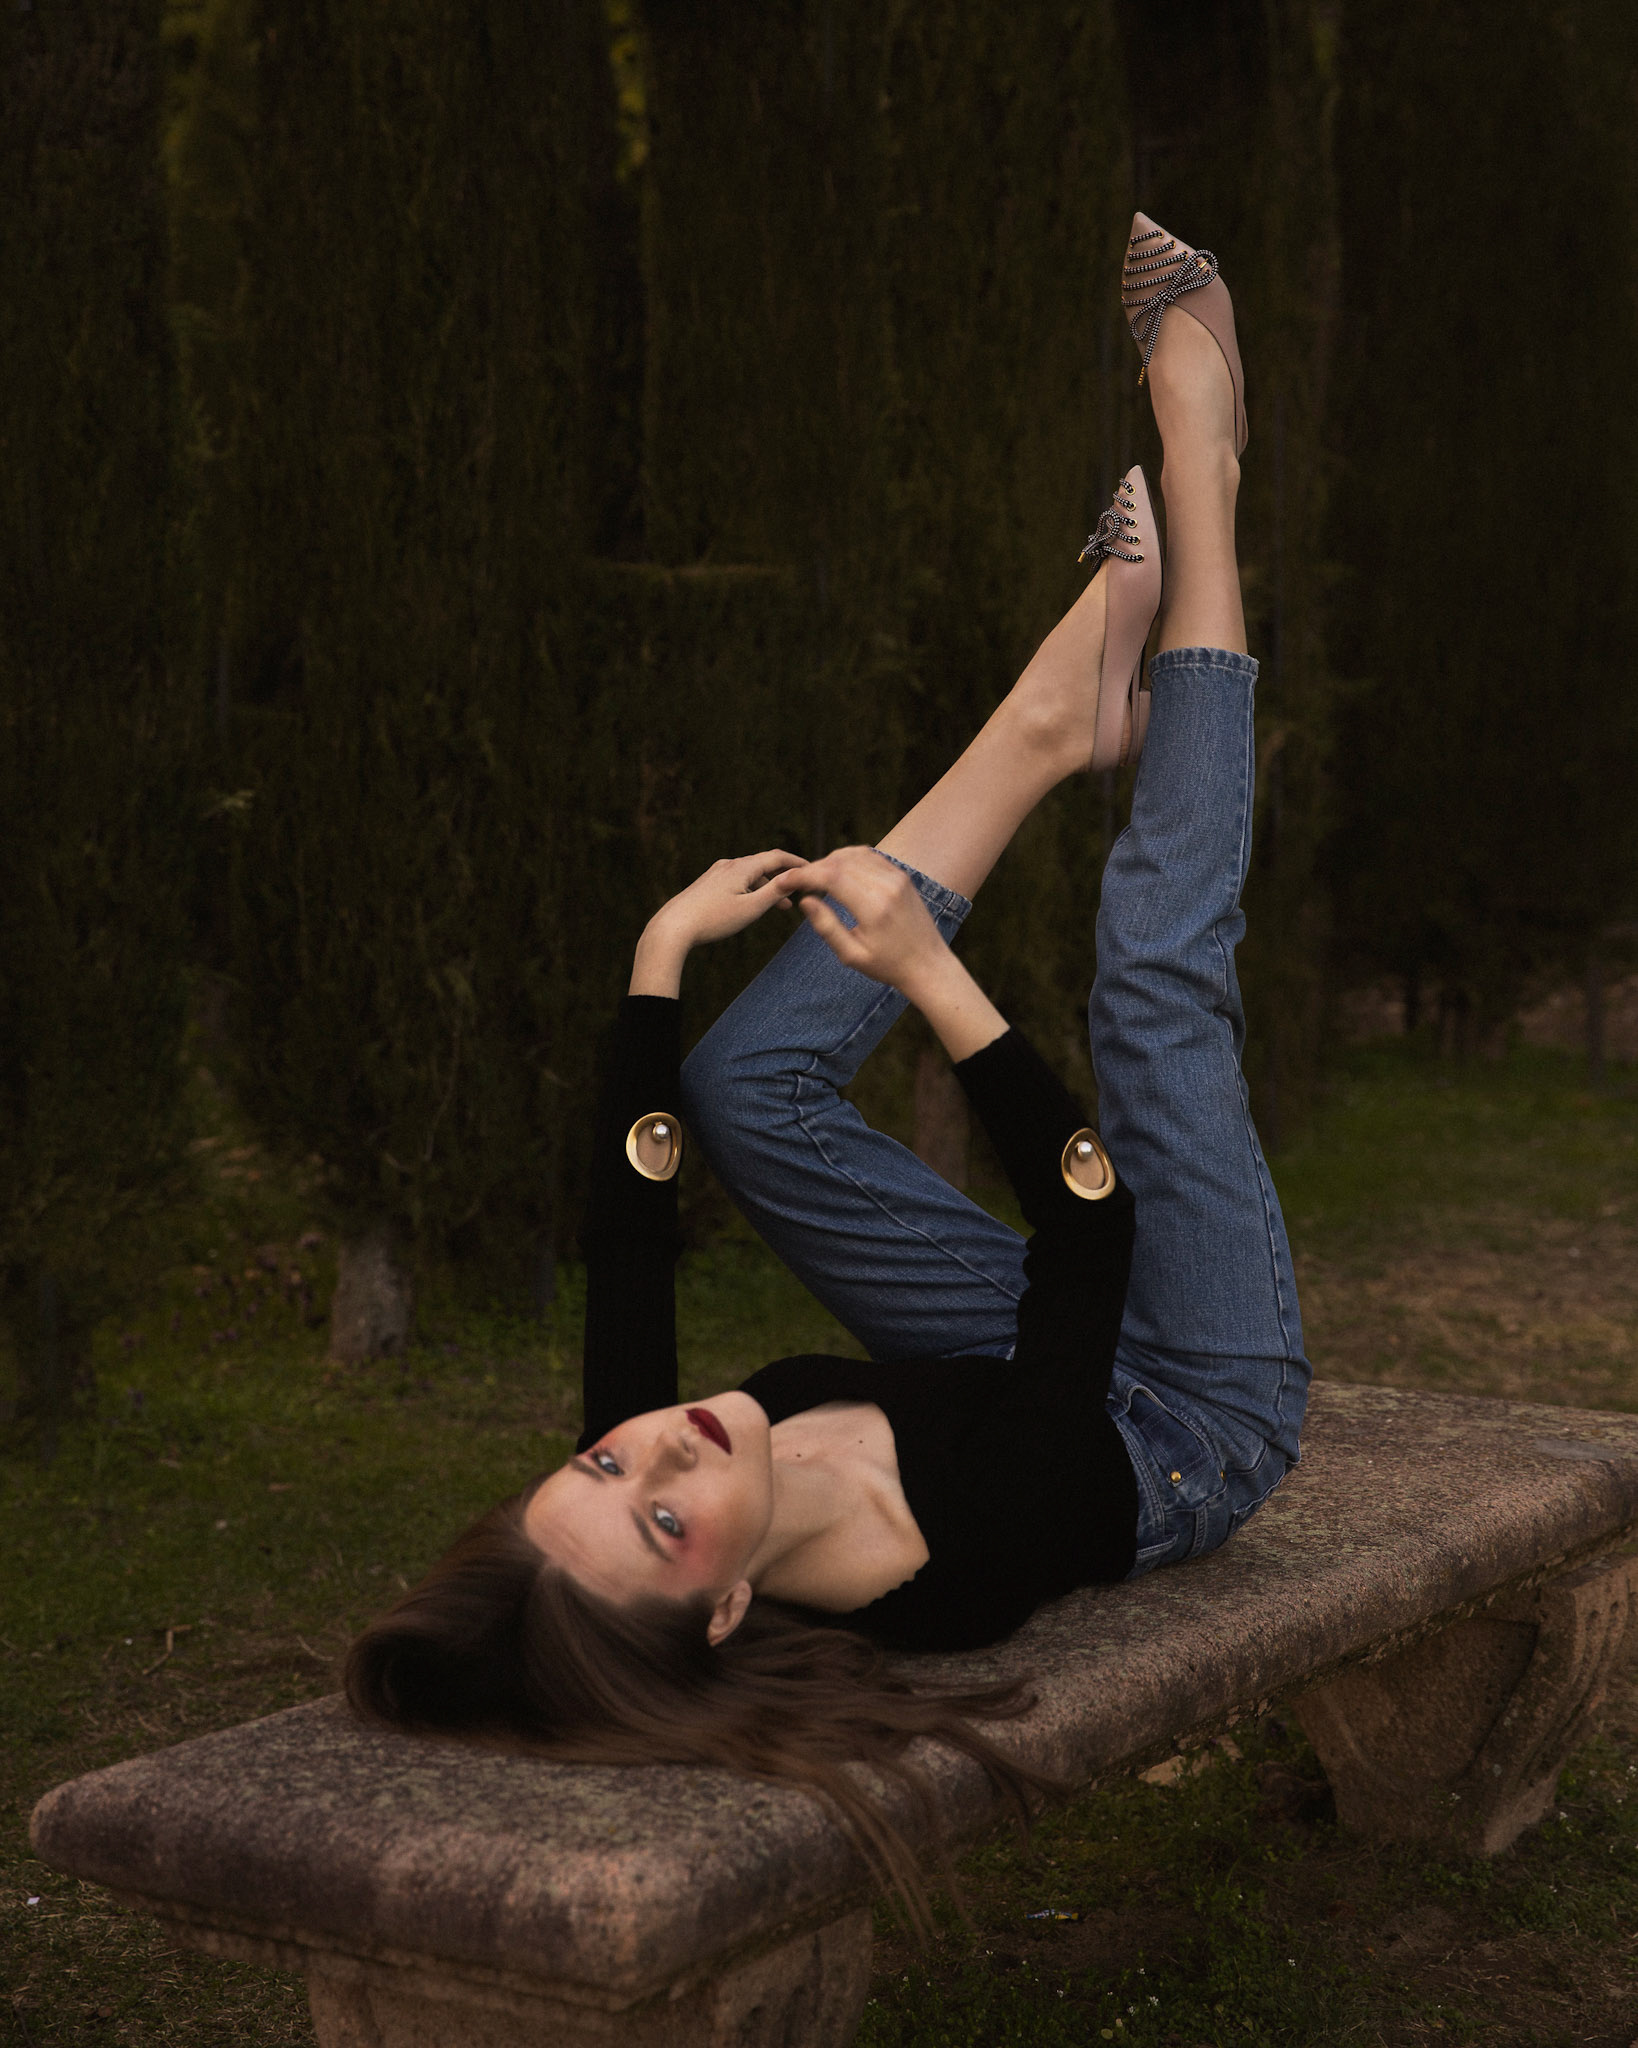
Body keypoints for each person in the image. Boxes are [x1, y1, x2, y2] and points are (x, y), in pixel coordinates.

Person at [347, 214, 1309, 1922]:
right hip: (1184, 1408)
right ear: (728, 1609)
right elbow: (1089, 1236)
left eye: (601, 1466)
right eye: (661, 1517)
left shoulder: (661, 1462)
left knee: (738, 1091)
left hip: (1030, 1346)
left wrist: (657, 961)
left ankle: (1047, 728)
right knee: (1153, 995)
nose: (654, 1453)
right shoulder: (960, 1558)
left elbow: (629, 1231)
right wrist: (936, 983)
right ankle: (1207, 468)